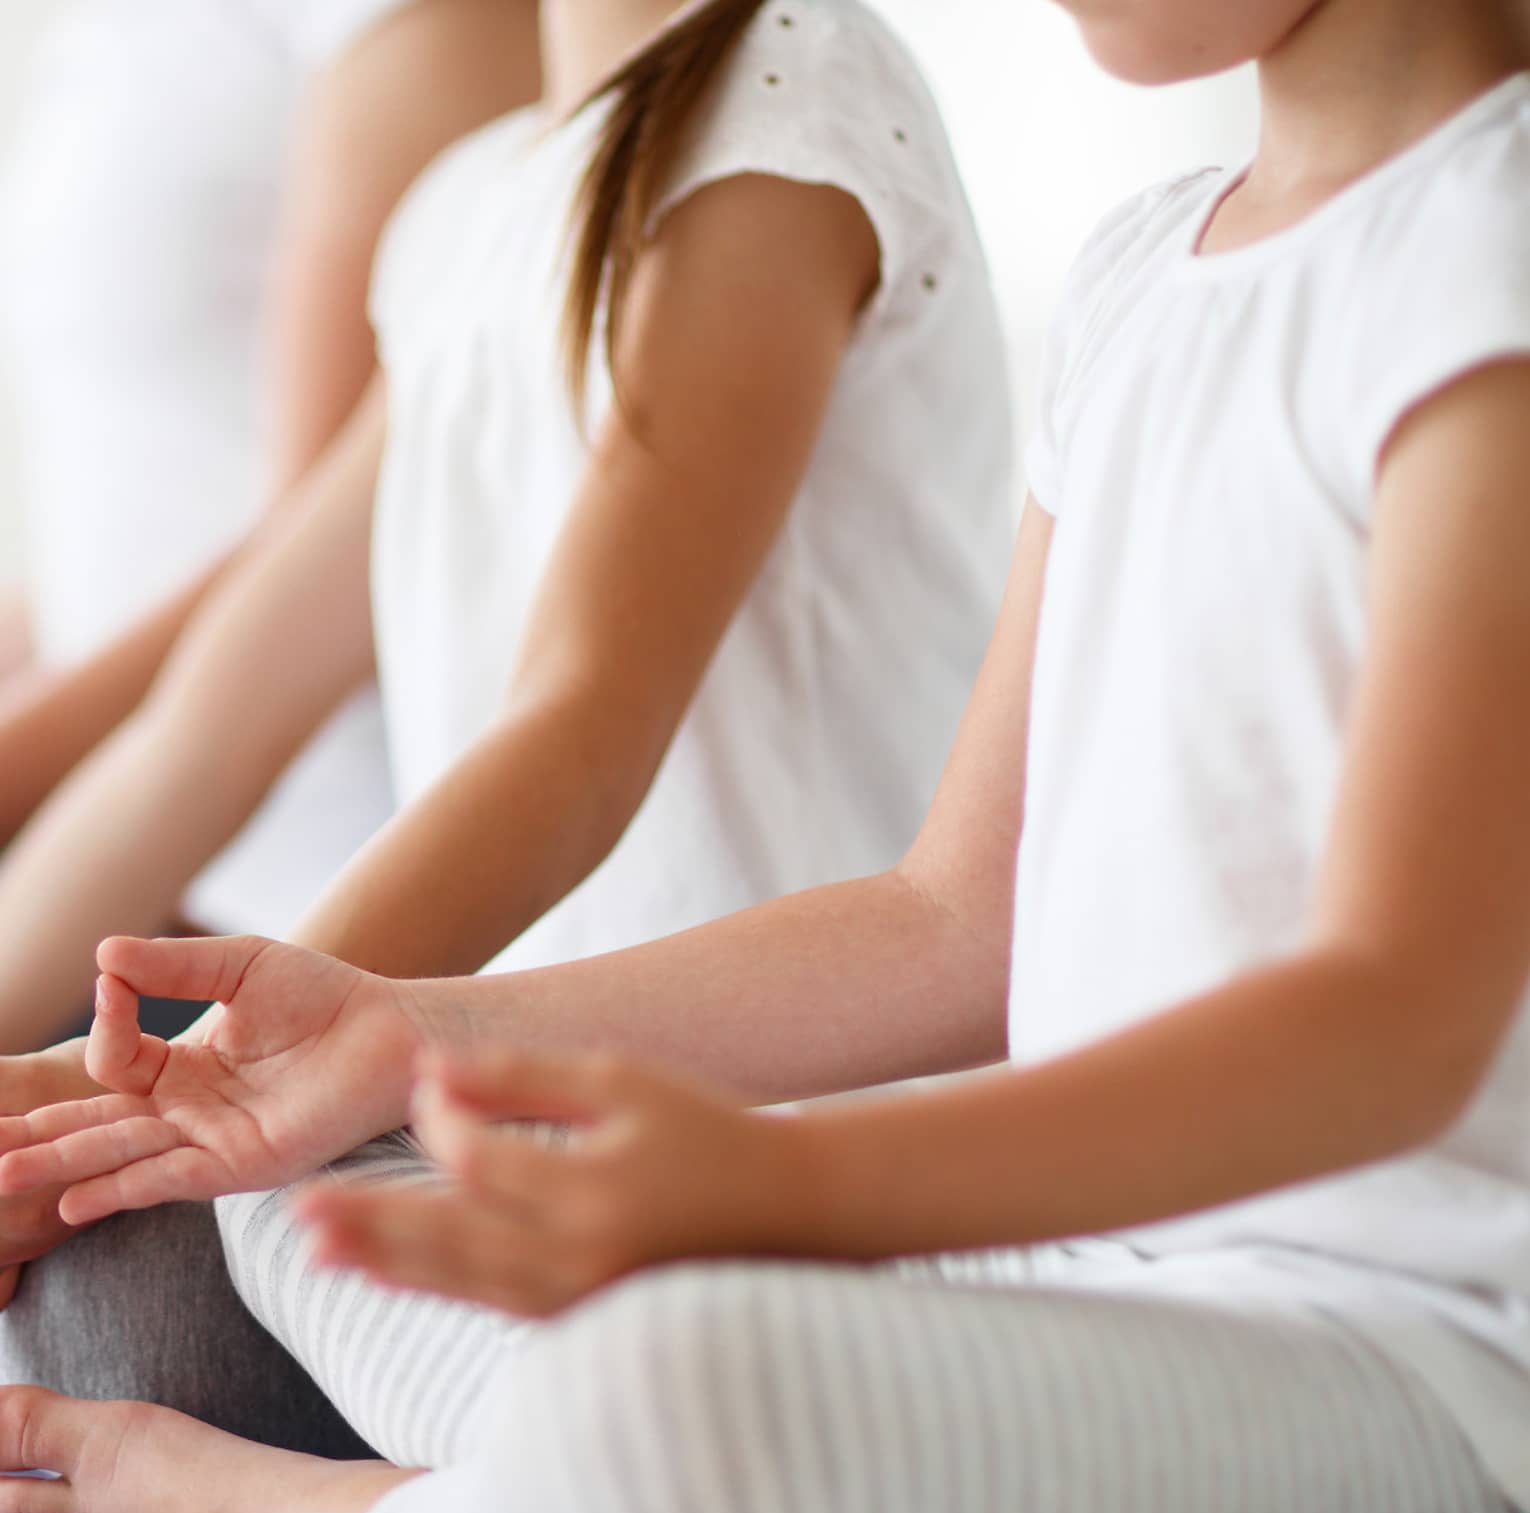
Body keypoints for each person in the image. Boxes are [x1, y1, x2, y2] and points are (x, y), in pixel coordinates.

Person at [11, 0, 1530, 1513]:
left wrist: (790, 1187)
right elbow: (959, 919)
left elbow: (1392, 1035)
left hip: (1431, 1378)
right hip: (1099, 1290)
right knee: (297, 1165)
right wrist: (400, 1034)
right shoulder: (1143, 278)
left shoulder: (1479, 261)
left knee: (687, 1411)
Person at [0, 0, 1009, 1417]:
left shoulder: (786, 109)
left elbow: (581, 725)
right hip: (508, 1105)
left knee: (144, 1286)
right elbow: (205, 728)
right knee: (114, 1285)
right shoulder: (468, 213)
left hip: (787, 1122)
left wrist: (171, 1093)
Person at [0, 0, 542, 1024]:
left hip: (285, 903)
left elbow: (328, 553)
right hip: (119, 840)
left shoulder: (403, 30)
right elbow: (133, 512)